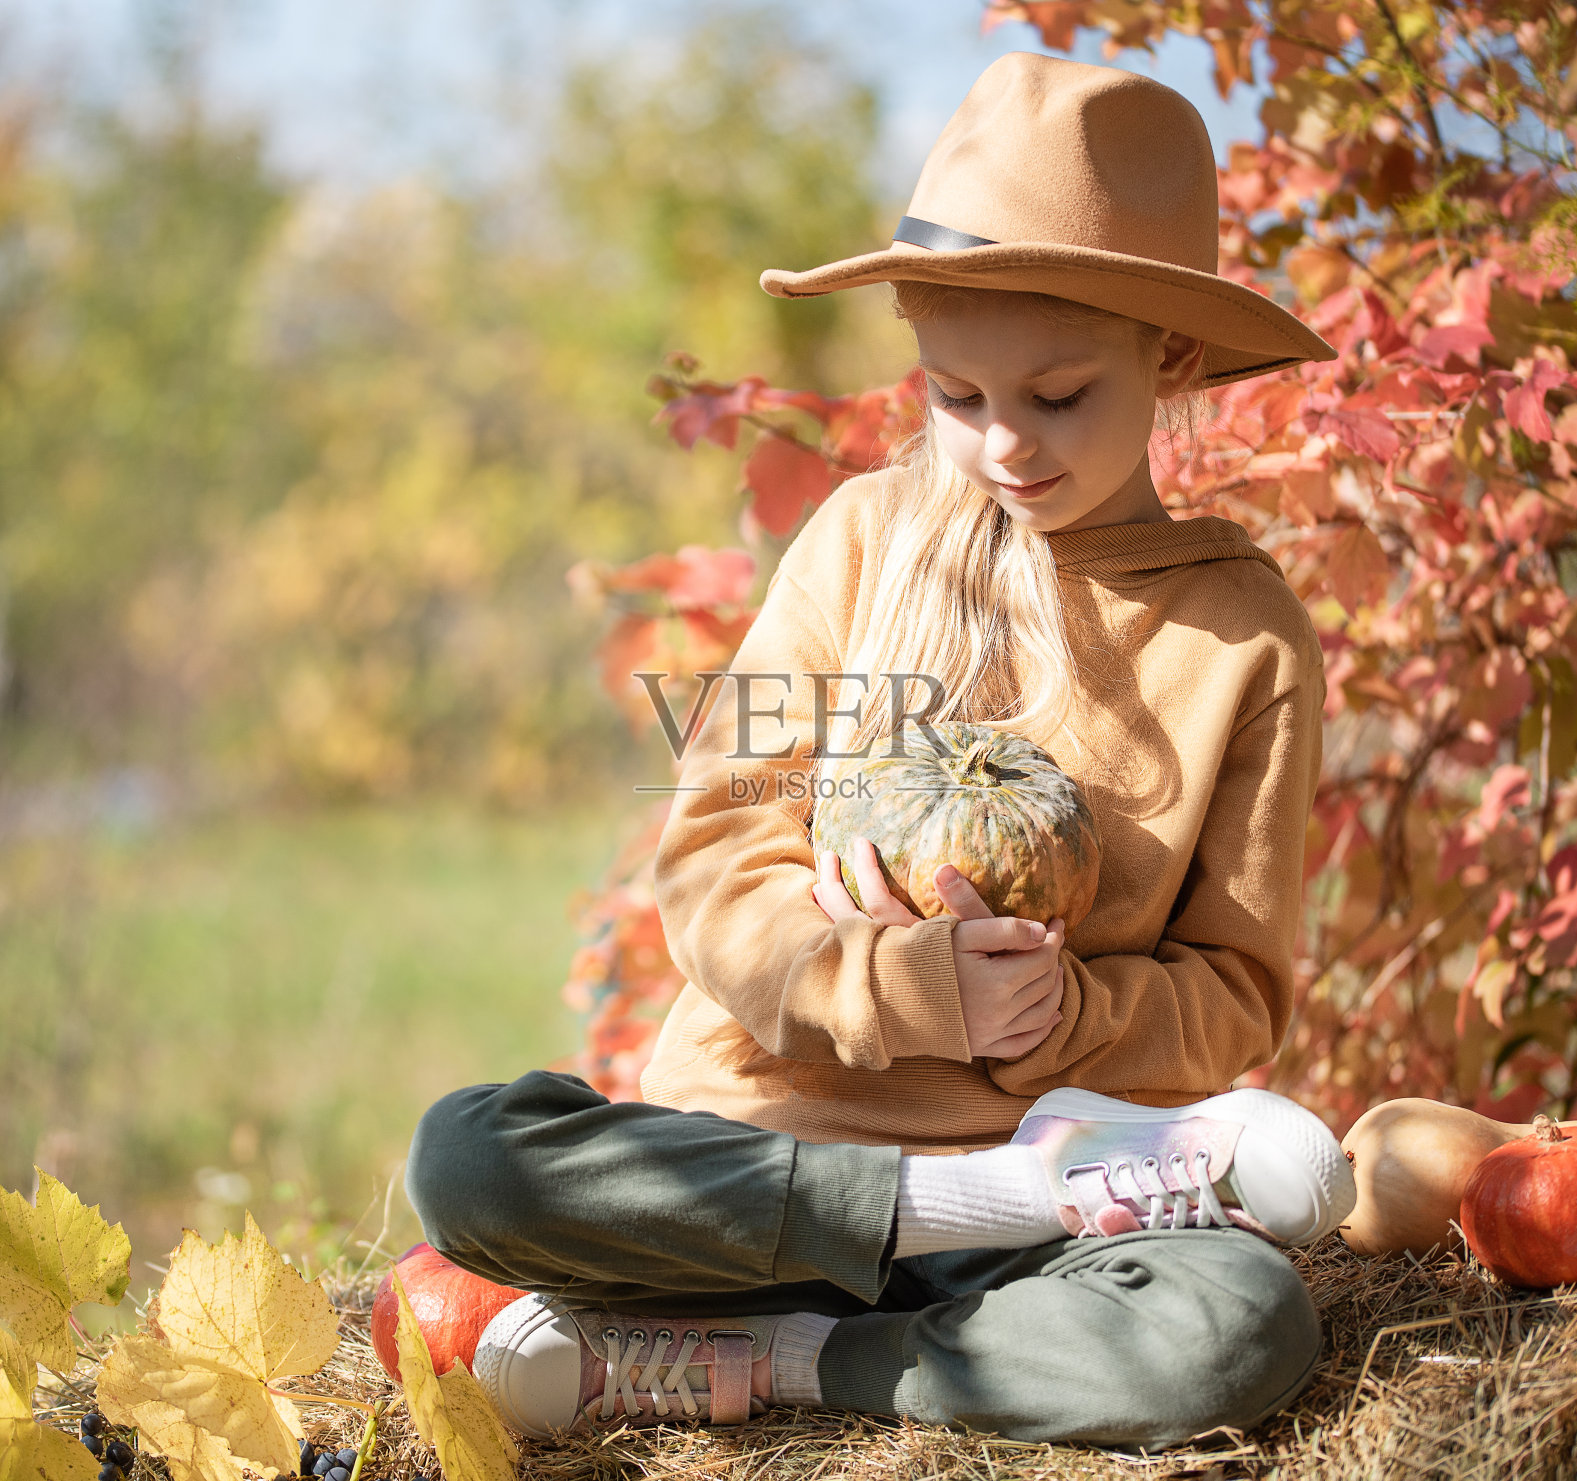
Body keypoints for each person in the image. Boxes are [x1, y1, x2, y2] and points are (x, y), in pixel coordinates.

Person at [405, 52, 1357, 1451]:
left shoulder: (1241, 632)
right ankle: (906, 1254)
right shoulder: (863, 541)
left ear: (1174, 356)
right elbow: (722, 862)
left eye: (1056, 395)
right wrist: (906, 991)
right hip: (758, 1168)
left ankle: (790, 1363)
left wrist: (1064, 1022)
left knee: (1239, 1325)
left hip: (1038, 1215)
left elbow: (1234, 994)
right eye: (956, 398)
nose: (1000, 446)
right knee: (467, 1156)